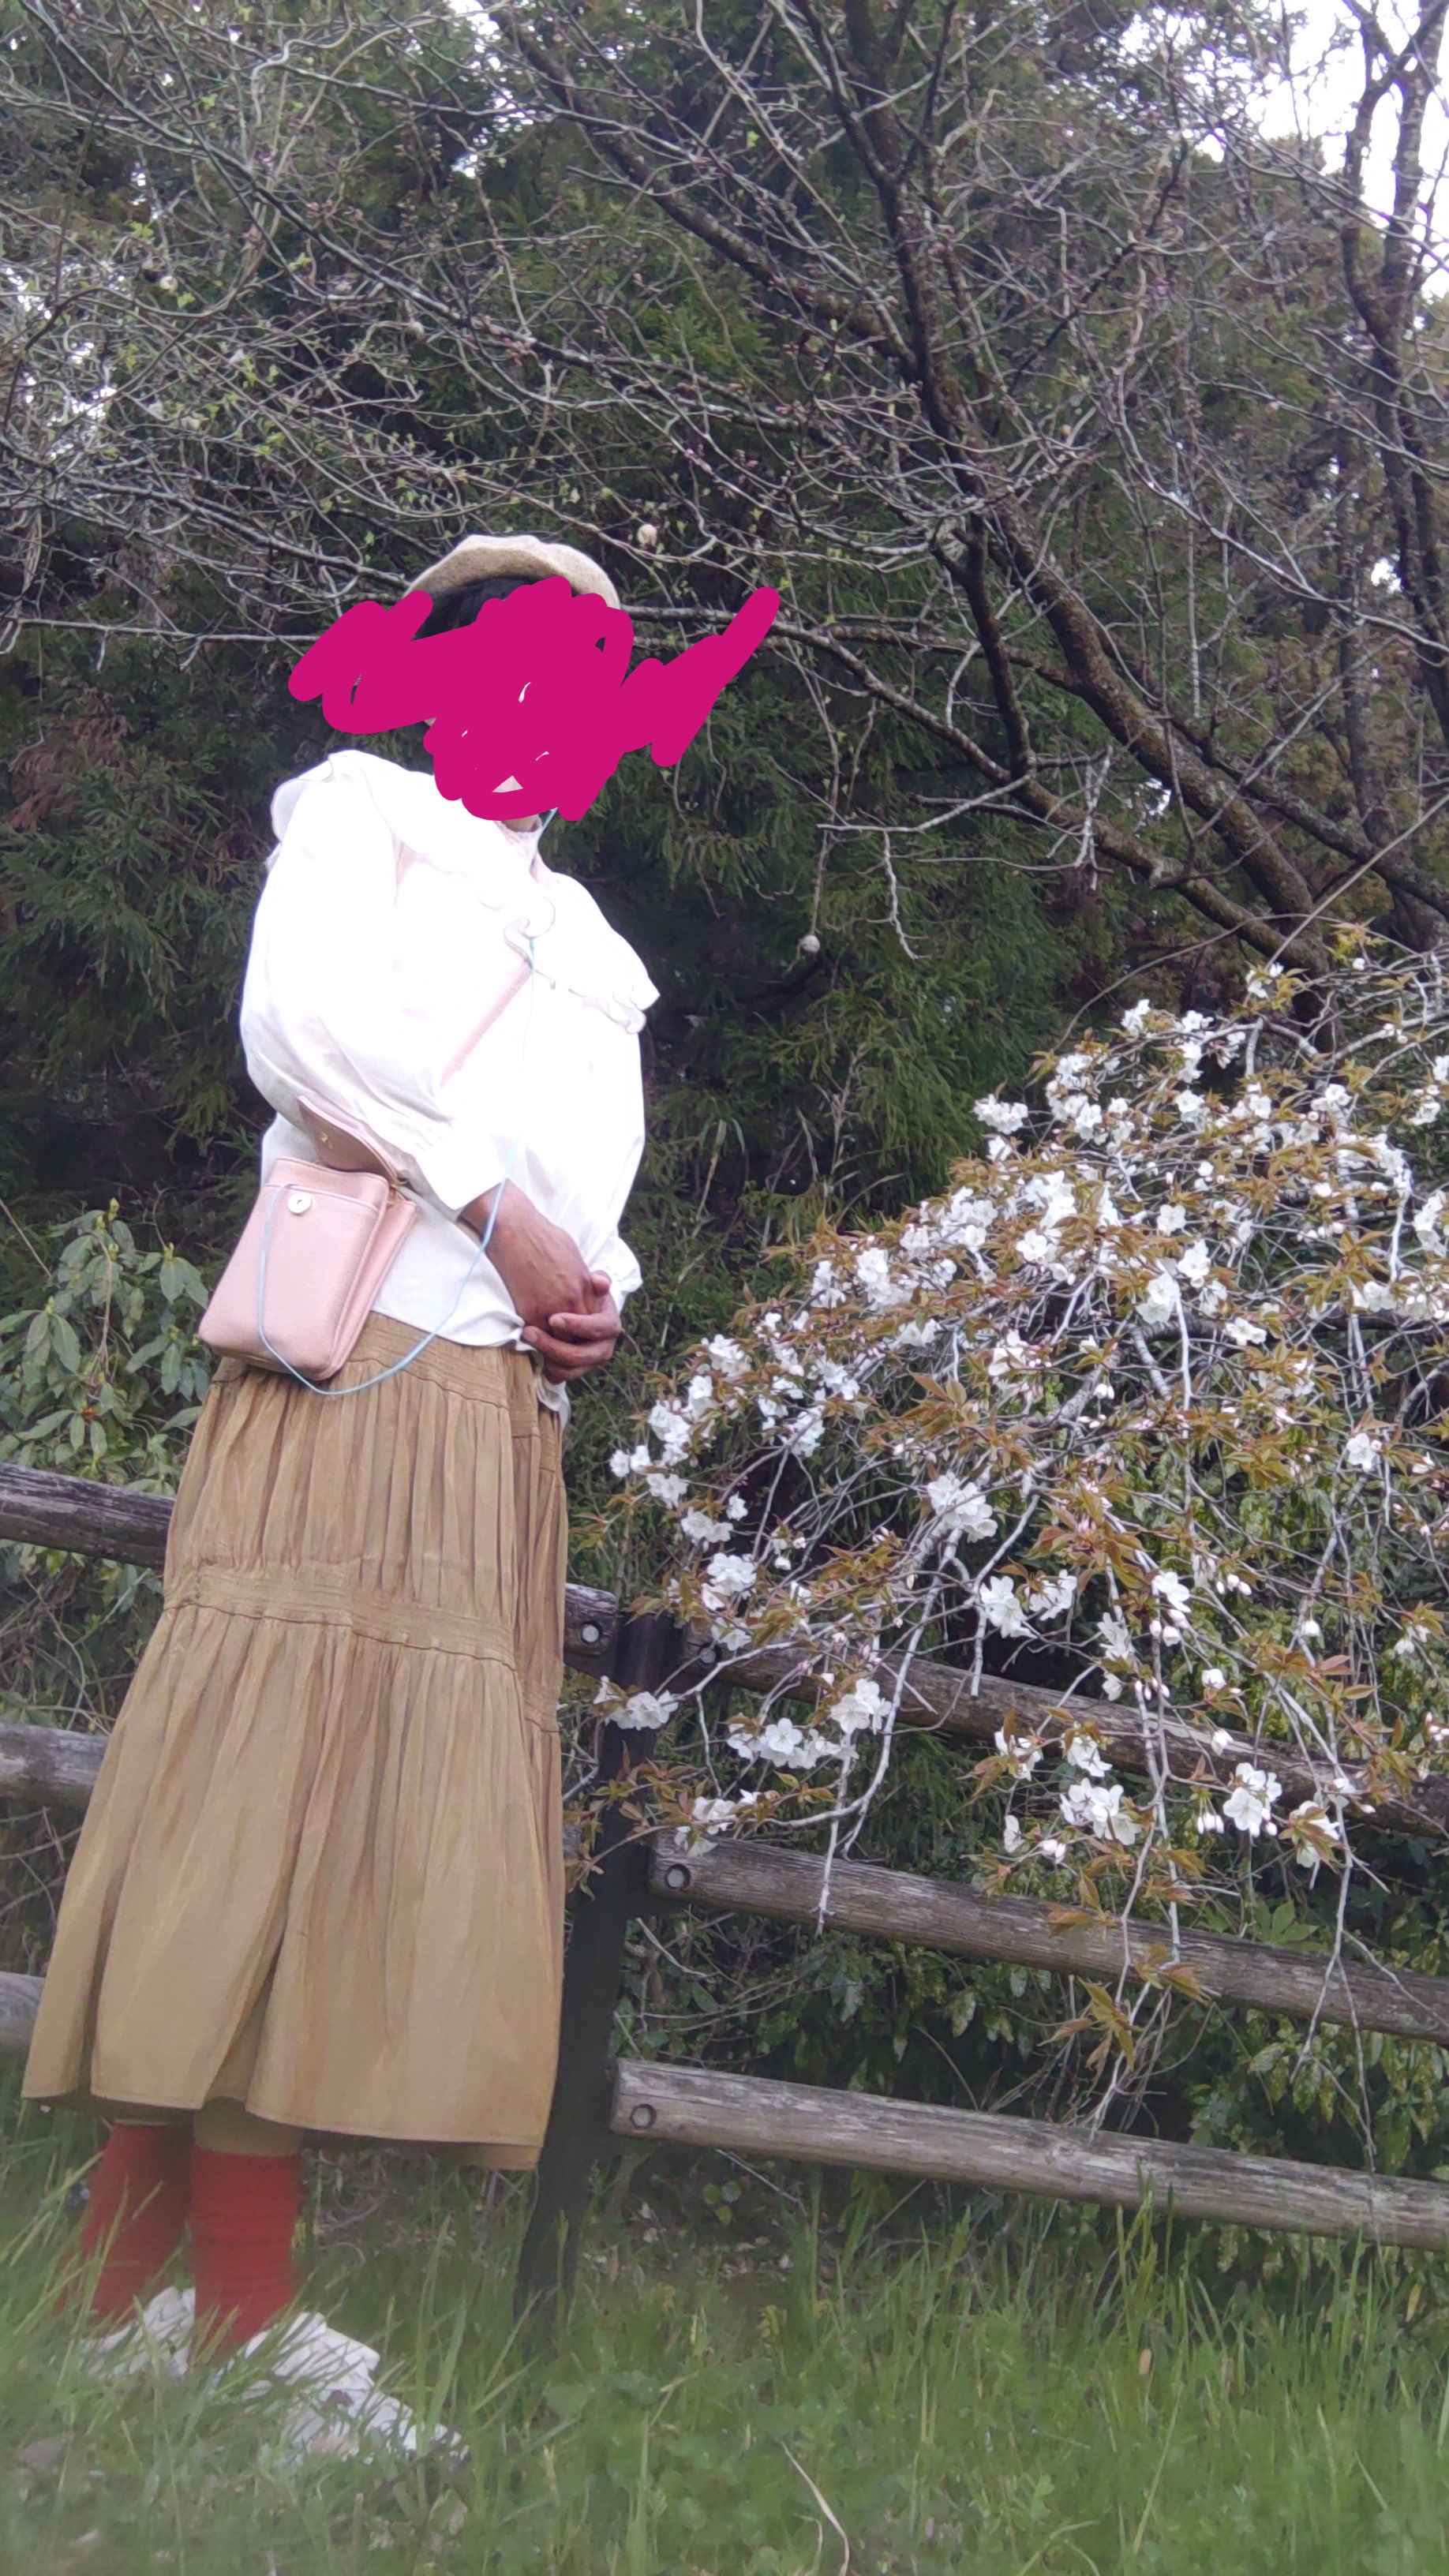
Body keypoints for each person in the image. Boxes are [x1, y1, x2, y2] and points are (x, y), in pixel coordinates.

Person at [19, 531, 658, 2459]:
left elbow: (590, 1182)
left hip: (487, 1412)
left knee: (358, 1823)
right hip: (346, 1354)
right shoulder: (365, 816)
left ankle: (141, 2311)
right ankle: (219, 2319)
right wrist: (493, 1203)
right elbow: (296, 1034)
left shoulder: (590, 939)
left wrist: (593, 1291)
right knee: (258, 1810)